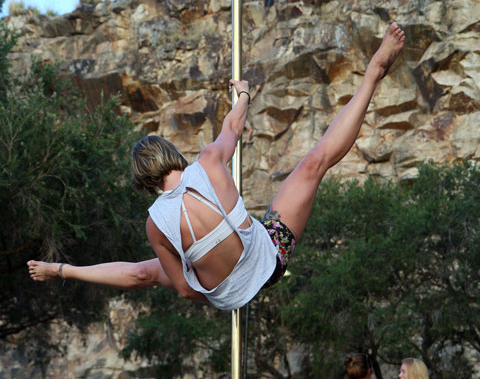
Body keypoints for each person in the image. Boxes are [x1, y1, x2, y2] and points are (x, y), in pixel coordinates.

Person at [28, 23, 406, 312]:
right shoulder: (208, 161)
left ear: (142, 181)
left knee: (145, 272)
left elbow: (183, 289)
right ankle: (373, 72)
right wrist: (241, 95)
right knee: (314, 163)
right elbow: (233, 127)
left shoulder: (155, 223)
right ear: (171, 153)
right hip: (268, 258)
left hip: (230, 293)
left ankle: (60, 269)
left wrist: (217, 282)